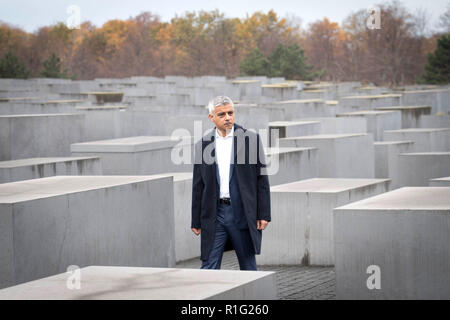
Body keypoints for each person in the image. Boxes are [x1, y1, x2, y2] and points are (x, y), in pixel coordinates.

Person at [191, 95, 271, 270]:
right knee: (208, 266)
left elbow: (262, 179)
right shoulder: (202, 145)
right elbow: (198, 185)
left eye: (230, 113)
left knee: (248, 266)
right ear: (211, 117)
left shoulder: (251, 139)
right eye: (222, 114)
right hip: (215, 215)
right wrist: (196, 220)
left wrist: (264, 213)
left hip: (241, 213)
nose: (227, 117)